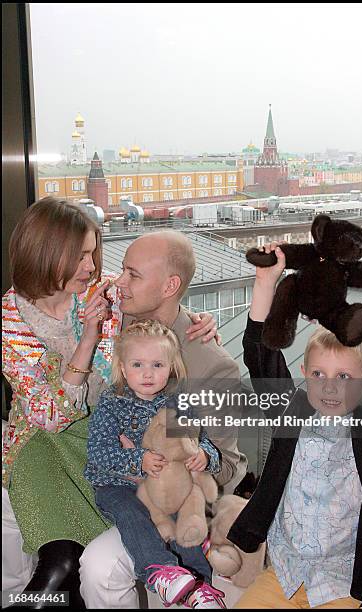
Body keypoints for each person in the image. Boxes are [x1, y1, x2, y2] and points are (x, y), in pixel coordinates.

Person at [1, 197, 218, 609]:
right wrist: (86, 340)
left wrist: (196, 323)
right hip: (39, 447)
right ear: (47, 255)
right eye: (81, 256)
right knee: (60, 563)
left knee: (83, 564)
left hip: (102, 440)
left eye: (92, 254)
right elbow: (48, 416)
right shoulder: (10, 320)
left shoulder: (101, 294)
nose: (92, 266)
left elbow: (159, 301)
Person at [226, 242, 362, 609]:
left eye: (344, 375)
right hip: (283, 575)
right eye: (319, 374)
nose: (330, 387)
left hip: (345, 585)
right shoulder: (291, 413)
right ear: (304, 375)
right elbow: (260, 354)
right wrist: (266, 282)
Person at [79, 230, 248, 609]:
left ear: (171, 285)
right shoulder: (110, 326)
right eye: (122, 270)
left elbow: (229, 464)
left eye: (132, 275)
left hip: (169, 497)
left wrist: (176, 462)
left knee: (99, 567)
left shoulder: (211, 365)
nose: (119, 282)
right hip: (103, 477)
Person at [85, 320, 226, 609]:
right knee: (131, 514)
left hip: (169, 487)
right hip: (118, 485)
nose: (147, 374)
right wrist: (139, 460)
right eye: (138, 365)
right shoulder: (112, 403)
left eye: (157, 365)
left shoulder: (178, 403)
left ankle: (200, 587)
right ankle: (159, 570)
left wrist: (205, 455)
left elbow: (201, 440)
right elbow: (99, 451)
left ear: (171, 368)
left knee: (184, 524)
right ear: (123, 368)